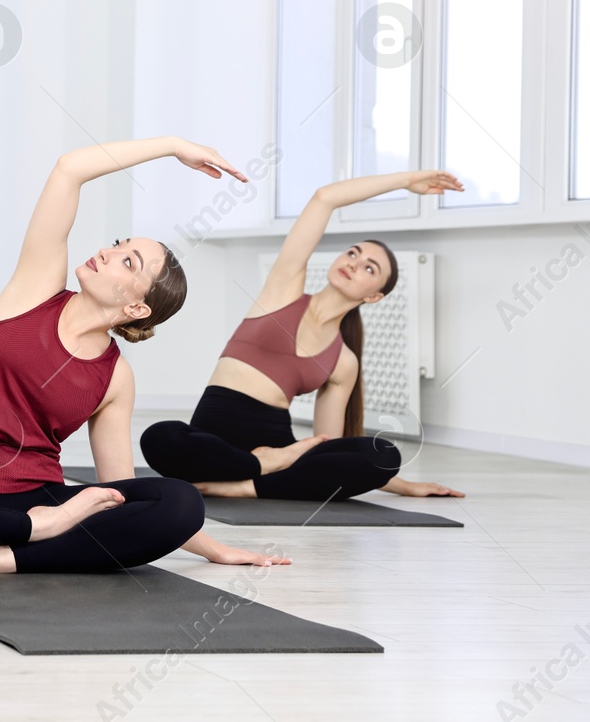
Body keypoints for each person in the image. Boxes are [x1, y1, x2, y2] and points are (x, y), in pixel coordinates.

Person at [0, 136, 290, 574]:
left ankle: (2, 557)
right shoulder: (35, 289)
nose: (108, 252)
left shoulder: (115, 377)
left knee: (180, 502)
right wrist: (173, 146)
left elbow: (120, 488)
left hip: (37, 499)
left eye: (128, 262)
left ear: (136, 308)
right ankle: (25, 534)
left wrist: (213, 548)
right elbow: (68, 169)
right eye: (119, 243)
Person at [140, 170, 466, 502]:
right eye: (353, 253)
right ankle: (256, 467)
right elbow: (325, 198)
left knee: (384, 454)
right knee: (159, 436)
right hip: (211, 443)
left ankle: (245, 485)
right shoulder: (284, 290)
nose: (354, 264)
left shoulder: (343, 361)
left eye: (370, 268)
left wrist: (400, 484)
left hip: (279, 448)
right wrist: (405, 182)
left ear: (374, 297)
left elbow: (327, 446)